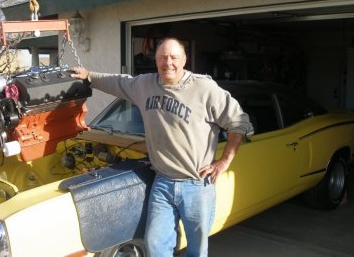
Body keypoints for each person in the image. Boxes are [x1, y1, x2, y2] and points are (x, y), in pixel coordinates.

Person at [71, 38, 253, 257]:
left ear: (184, 59)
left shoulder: (204, 89)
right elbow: (118, 82)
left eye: (174, 57)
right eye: (162, 57)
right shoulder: (144, 85)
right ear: (156, 60)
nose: (168, 63)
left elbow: (239, 121)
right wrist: (89, 75)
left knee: (197, 250)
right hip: (163, 182)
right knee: (156, 245)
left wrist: (224, 161)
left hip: (196, 185)